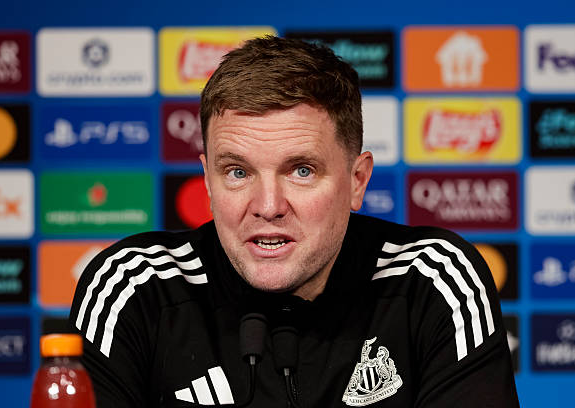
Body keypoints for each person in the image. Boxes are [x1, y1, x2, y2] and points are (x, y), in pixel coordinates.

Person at [69, 36, 519, 407]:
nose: (268, 206)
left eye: (301, 170)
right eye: (237, 172)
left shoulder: (433, 280)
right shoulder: (135, 288)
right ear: (207, 181)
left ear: (357, 181)